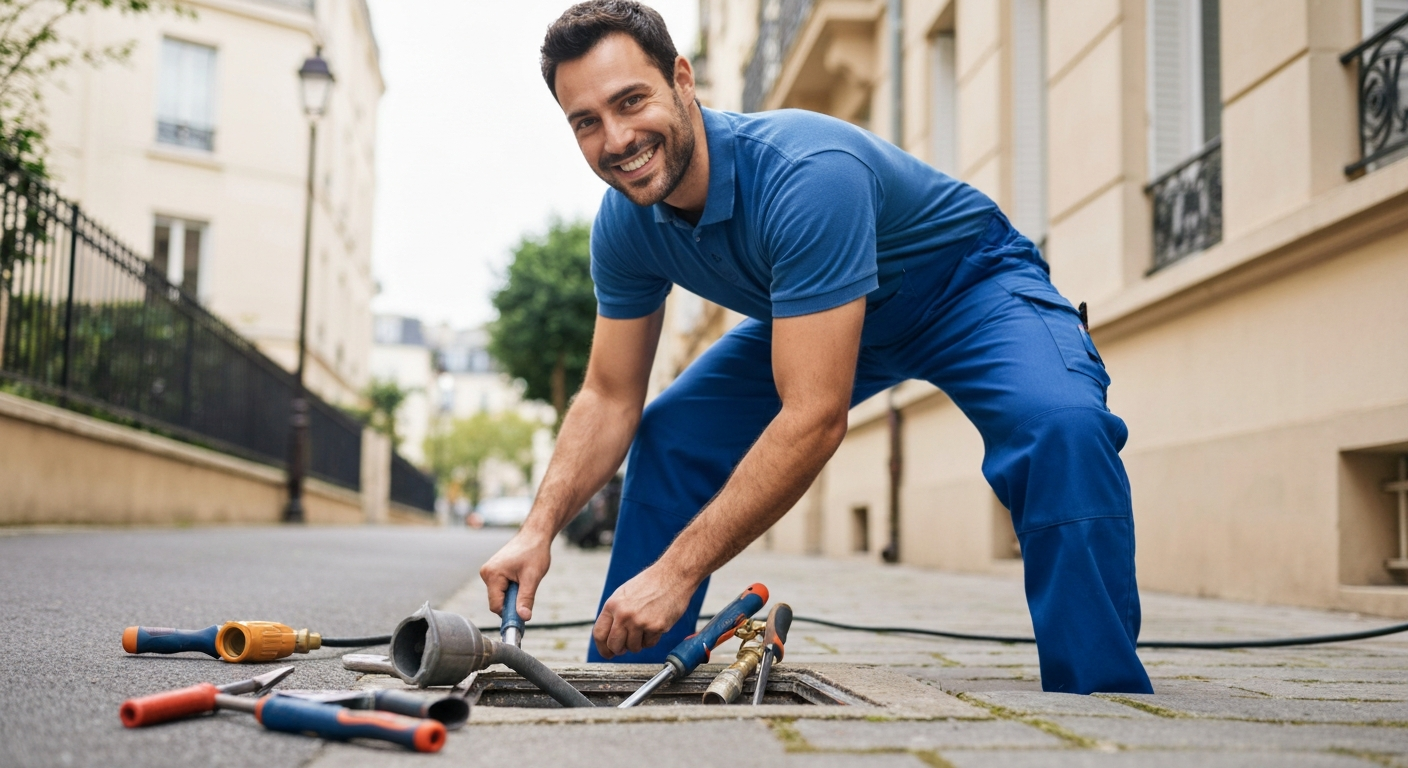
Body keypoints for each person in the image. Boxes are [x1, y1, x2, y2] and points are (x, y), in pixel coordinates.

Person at [479, 0, 1153, 694]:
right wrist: (537, 531)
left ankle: (1099, 694)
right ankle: (628, 679)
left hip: (968, 287)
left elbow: (814, 416)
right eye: (586, 122)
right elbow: (609, 394)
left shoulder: (805, 173)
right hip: (829, 315)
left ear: (683, 79)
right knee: (676, 432)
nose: (616, 138)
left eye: (631, 101)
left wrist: (678, 572)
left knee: (1061, 428)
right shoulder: (626, 225)